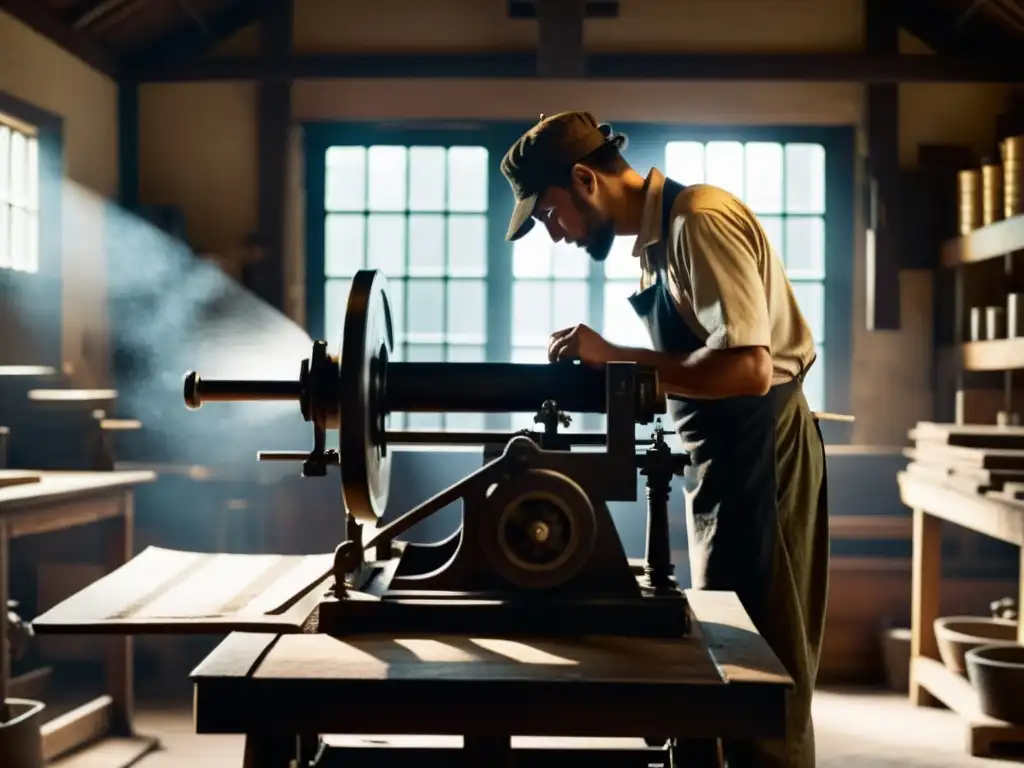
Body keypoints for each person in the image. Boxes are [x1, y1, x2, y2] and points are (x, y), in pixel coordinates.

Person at [500, 110, 829, 768]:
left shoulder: (697, 222)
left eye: (549, 216)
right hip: (724, 460)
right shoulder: (655, 248)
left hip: (762, 452)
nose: (554, 234)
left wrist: (619, 358)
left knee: (764, 668)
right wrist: (611, 369)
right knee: (727, 655)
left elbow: (748, 369)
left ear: (585, 178)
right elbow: (697, 370)